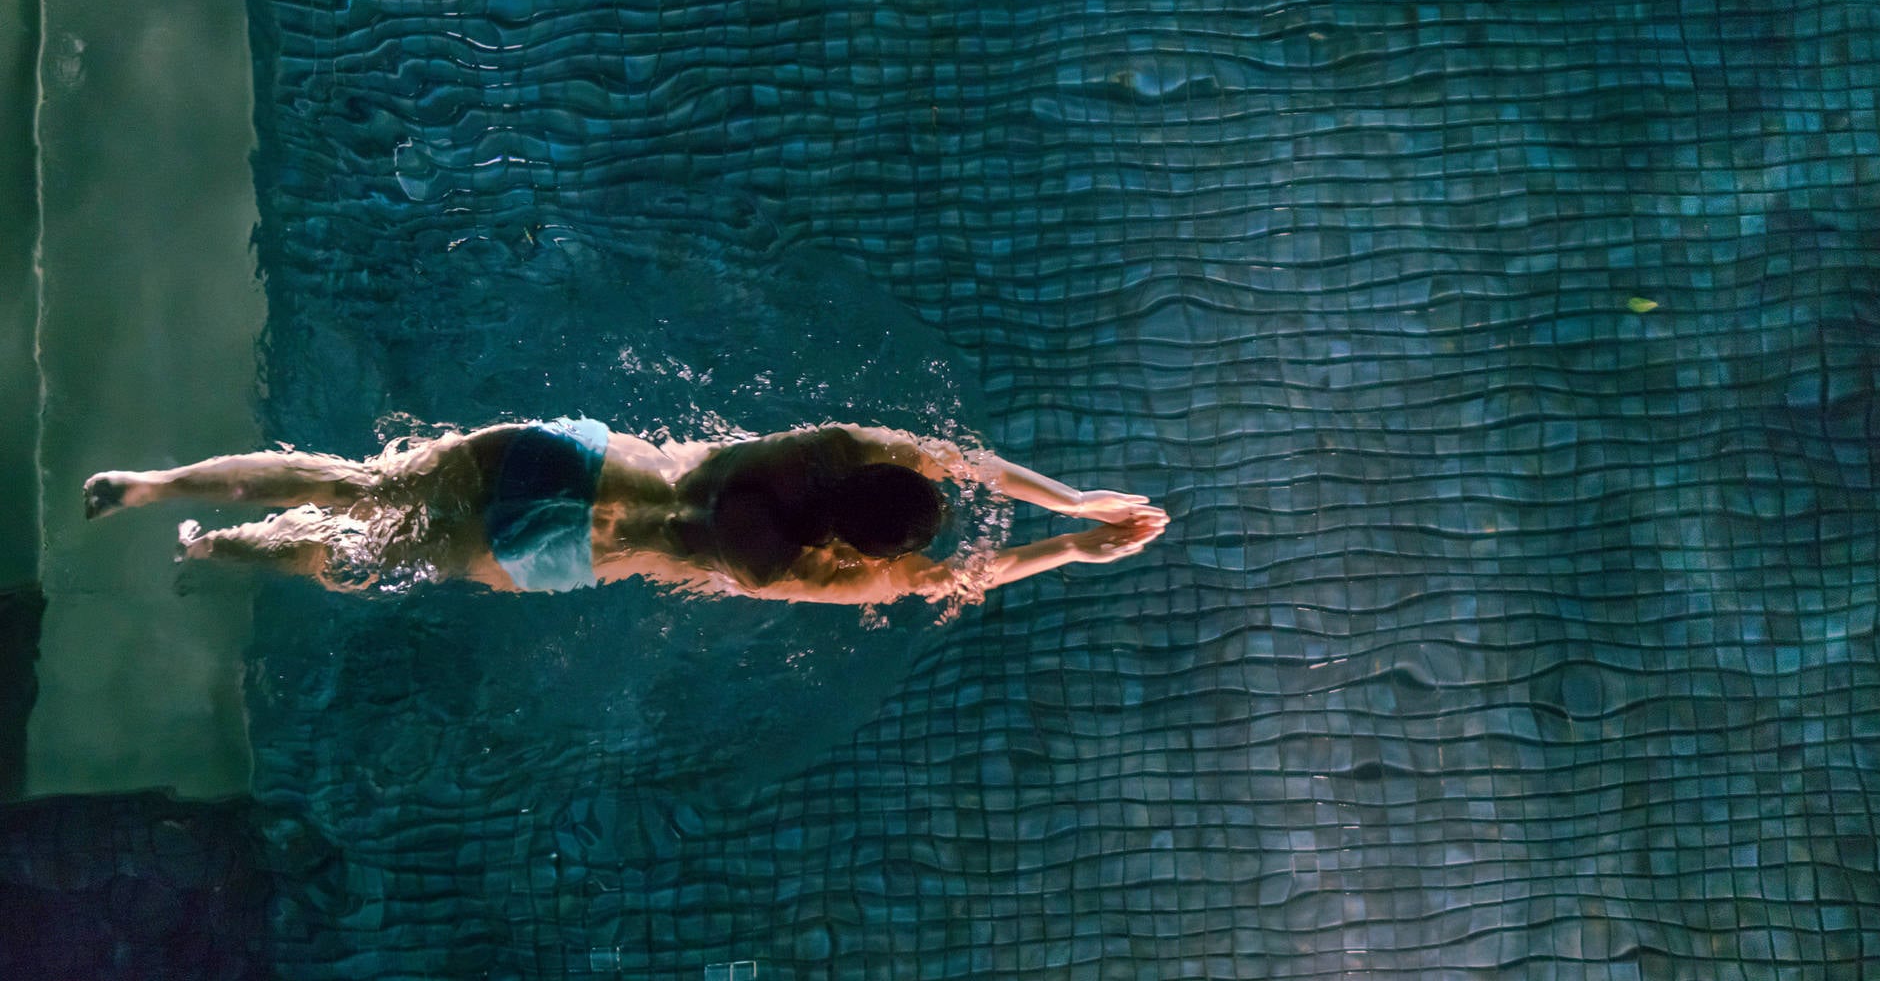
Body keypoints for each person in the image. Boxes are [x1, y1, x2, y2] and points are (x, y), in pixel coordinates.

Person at [82, 419, 1168, 602]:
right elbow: (965, 576)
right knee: (364, 551)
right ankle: (215, 547)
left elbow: (957, 458)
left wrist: (1072, 495)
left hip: (575, 460)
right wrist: (1073, 549)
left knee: (359, 482)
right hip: (549, 550)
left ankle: (157, 485)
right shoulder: (821, 570)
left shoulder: (827, 454)